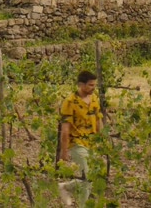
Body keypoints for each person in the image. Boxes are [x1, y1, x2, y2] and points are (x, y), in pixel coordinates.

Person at [58, 70, 104, 207]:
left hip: (92, 143)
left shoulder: (94, 98)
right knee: (88, 177)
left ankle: (65, 187)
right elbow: (65, 130)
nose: (93, 88)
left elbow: (98, 120)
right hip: (77, 143)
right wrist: (64, 151)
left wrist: (102, 141)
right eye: (90, 85)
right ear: (81, 85)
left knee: (91, 177)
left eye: (94, 85)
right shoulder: (70, 102)